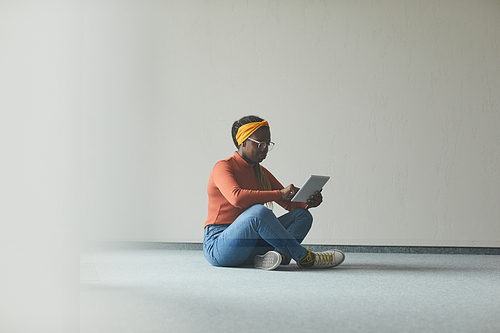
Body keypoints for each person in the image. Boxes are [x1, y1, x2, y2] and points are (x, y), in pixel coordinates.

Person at [203, 115, 345, 270]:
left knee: (302, 216)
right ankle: (305, 257)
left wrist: (308, 202)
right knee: (259, 212)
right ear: (243, 142)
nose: (265, 149)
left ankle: (277, 256)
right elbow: (237, 198)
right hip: (219, 246)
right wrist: (280, 193)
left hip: (250, 247)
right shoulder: (223, 167)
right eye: (260, 144)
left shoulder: (260, 172)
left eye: (267, 144)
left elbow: (289, 204)